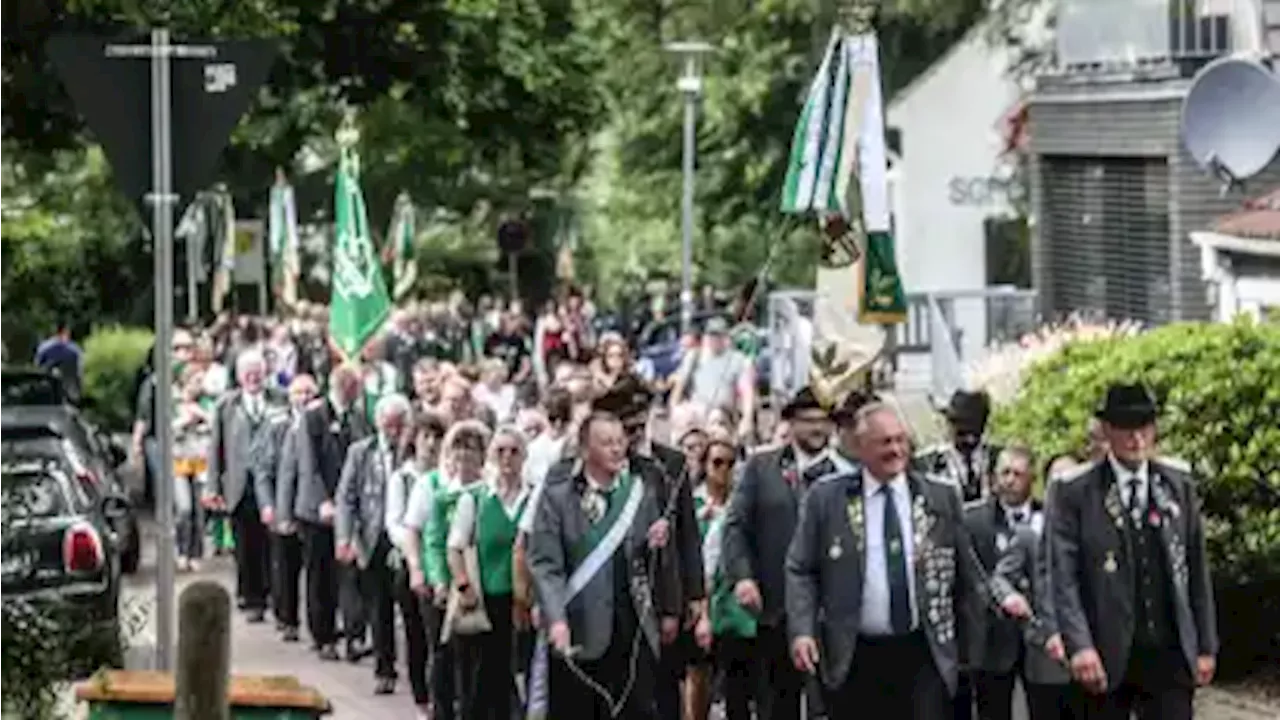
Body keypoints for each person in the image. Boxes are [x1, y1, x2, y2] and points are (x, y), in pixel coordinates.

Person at [785, 401, 1007, 718]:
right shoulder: (826, 499)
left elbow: (967, 575)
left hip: (924, 652)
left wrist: (969, 651)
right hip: (855, 654)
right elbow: (800, 568)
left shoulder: (939, 497)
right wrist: (803, 630)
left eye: (900, 440)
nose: (895, 450)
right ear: (860, 448)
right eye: (884, 442)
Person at [1049, 383, 1218, 720]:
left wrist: (1205, 645)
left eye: (1144, 428)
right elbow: (1063, 578)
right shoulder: (1075, 491)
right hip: (1105, 650)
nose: (1137, 439)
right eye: (1127, 429)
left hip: (1168, 650)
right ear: (1107, 431)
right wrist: (1079, 645)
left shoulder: (1177, 484)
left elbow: (1196, 568)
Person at [526, 411, 679, 719]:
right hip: (578, 629)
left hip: (632, 630)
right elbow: (545, 565)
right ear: (585, 449)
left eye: (620, 441)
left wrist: (656, 544)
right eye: (606, 442)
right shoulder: (558, 496)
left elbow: (656, 562)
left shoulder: (641, 493)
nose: (616, 449)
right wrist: (556, 620)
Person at [720, 386, 835, 720]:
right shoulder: (761, 467)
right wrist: (743, 578)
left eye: (823, 421)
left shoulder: (845, 472)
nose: (817, 428)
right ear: (791, 423)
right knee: (776, 704)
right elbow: (736, 527)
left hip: (831, 613)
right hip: (775, 607)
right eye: (809, 420)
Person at [964, 445, 1063, 720]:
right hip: (992, 638)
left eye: (1017, 473)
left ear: (1032, 478)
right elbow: (970, 575)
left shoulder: (1053, 517)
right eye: (1004, 472)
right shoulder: (972, 519)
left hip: (1040, 642)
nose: (1009, 479)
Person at [402, 420, 493, 720]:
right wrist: (438, 579)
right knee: (443, 652)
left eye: (472, 452)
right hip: (444, 585)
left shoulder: (488, 493)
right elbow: (431, 540)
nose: (464, 459)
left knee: (476, 657)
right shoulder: (436, 490)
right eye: (458, 451)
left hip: (482, 583)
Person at [280, 364, 372, 661]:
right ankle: (324, 635)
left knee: (351, 573)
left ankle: (354, 634)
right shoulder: (313, 417)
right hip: (317, 508)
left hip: (349, 507)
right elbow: (308, 463)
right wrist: (323, 500)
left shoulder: (358, 419)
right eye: (350, 386)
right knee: (320, 574)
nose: (353, 391)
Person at [447, 425, 529, 720]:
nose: (508, 458)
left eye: (514, 451)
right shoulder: (476, 499)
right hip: (485, 603)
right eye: (501, 451)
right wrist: (463, 585)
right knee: (481, 682)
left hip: (521, 604)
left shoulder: (533, 500)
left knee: (517, 679)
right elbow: (454, 547)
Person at [989, 451, 1075, 720]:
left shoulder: (1098, 529)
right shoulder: (1030, 533)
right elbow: (999, 577)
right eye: (1056, 479)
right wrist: (1010, 596)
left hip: (1092, 653)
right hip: (1046, 654)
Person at [336, 392, 412, 695]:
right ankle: (384, 668)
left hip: (405, 539)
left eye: (398, 425)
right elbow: (346, 496)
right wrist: (346, 536)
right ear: (379, 423)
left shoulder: (412, 454)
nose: (393, 432)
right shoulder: (361, 452)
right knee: (379, 606)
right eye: (388, 425)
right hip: (373, 536)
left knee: (407, 606)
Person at [206, 349, 288, 624]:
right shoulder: (226, 405)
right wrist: (213, 486)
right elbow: (216, 448)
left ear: (265, 373)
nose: (253, 376)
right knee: (244, 545)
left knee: (272, 545)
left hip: (272, 485)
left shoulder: (280, 399)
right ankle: (250, 597)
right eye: (247, 372)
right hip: (239, 485)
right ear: (240, 376)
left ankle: (273, 596)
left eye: (258, 371)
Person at [386, 411, 448, 718]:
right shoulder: (404, 478)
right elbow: (394, 522)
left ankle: (441, 695)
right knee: (416, 633)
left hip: (441, 564)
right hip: (411, 562)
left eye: (437, 438)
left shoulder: (446, 477)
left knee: (437, 634)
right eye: (426, 438)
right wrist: (415, 547)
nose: (432, 445)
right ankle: (420, 692)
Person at [691, 435, 757, 720]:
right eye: (717, 462)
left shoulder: (744, 505)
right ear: (704, 465)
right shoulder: (692, 505)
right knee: (698, 678)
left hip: (736, 611)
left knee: (739, 690)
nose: (724, 469)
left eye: (731, 463)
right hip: (703, 604)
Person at [254, 373, 317, 642]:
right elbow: (264, 468)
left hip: (312, 506)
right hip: (284, 503)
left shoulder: (319, 422)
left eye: (308, 393)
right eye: (298, 393)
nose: (303, 398)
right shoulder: (278, 424)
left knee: (315, 570)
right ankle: (287, 618)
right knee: (285, 566)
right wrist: (268, 504)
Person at [669, 316, 755, 439]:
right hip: (696, 409)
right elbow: (680, 384)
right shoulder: (694, 356)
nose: (714, 339)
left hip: (722, 412)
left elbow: (747, 391)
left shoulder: (737, 360)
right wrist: (674, 408)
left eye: (719, 335)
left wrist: (747, 418)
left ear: (726, 337)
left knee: (717, 423)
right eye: (711, 335)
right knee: (682, 417)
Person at [917, 390, 1003, 503]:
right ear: (950, 427)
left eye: (975, 433)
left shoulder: (1001, 459)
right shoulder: (929, 464)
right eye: (962, 433)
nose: (969, 440)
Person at [172, 366, 212, 571]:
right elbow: (165, 428)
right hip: (179, 462)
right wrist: (184, 421)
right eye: (196, 380)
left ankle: (196, 553)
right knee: (184, 508)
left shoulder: (207, 403)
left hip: (201, 463)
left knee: (199, 510)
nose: (200, 385)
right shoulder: (173, 402)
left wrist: (204, 418)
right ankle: (181, 550)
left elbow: (216, 428)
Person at [34, 320, 82, 403]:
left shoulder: (44, 348)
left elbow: (37, 367)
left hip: (47, 391)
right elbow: (79, 373)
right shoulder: (74, 350)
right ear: (66, 332)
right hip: (69, 391)